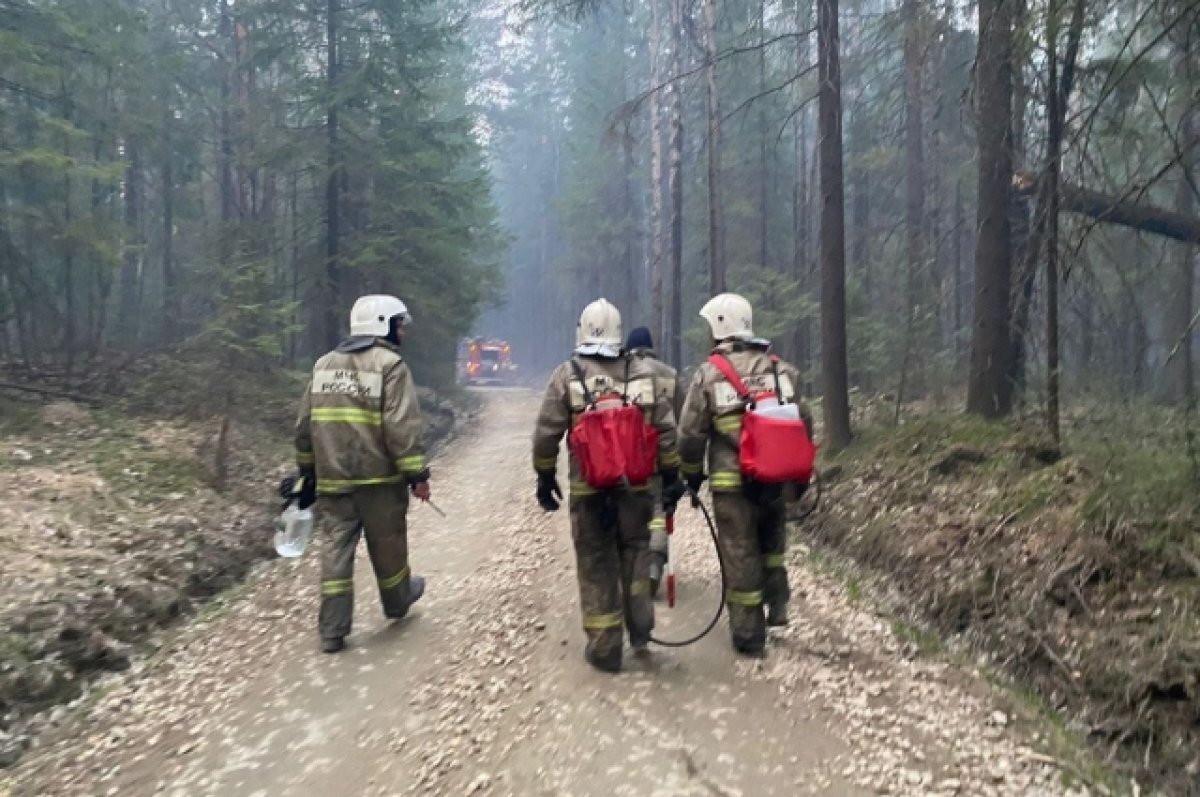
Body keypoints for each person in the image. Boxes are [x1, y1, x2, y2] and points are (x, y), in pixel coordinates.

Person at [532, 300, 681, 672]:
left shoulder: (567, 375)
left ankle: (605, 648)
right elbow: (665, 430)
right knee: (636, 555)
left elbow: (546, 433)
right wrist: (673, 475)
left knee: (596, 565)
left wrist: (545, 476)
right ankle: (642, 630)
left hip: (589, 493)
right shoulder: (642, 372)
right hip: (636, 490)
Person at [677, 293, 814, 657]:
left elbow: (690, 434)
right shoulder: (780, 370)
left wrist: (691, 476)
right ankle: (777, 602)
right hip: (775, 479)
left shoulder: (709, 375)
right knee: (772, 547)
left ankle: (749, 634)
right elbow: (805, 423)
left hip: (731, 484)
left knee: (740, 553)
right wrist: (799, 478)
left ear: (720, 326)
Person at [294, 295, 431, 654]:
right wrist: (417, 474)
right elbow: (402, 426)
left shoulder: (323, 365)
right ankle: (398, 602)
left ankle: (332, 630)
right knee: (388, 547)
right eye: (399, 324)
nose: (402, 331)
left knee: (335, 551)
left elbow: (304, 426)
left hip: (333, 480)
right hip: (379, 482)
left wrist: (306, 474)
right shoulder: (391, 366)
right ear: (383, 324)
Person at [624, 326, 681, 597]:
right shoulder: (669, 374)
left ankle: (632, 566)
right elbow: (678, 420)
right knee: (659, 511)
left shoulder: (622, 372)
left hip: (629, 459)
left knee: (633, 514)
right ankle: (655, 565)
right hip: (660, 456)